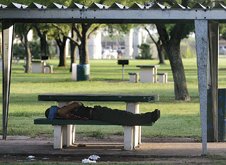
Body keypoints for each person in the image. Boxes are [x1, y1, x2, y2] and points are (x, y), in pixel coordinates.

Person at [45, 101, 160, 126]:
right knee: (124, 117)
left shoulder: (62, 114)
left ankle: (149, 117)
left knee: (124, 116)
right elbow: (77, 104)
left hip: (97, 112)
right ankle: (150, 117)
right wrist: (63, 111)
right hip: (97, 114)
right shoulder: (62, 112)